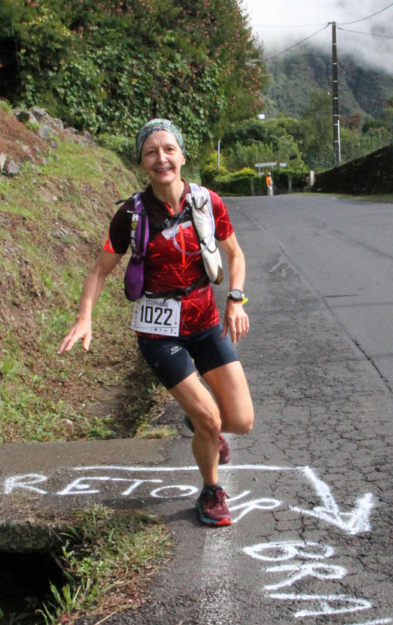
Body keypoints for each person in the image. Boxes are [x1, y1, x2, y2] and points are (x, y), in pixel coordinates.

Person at [58, 118, 254, 527]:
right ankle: (211, 491)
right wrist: (84, 318)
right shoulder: (131, 214)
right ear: (142, 162)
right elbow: (99, 270)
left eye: (168, 149)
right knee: (210, 418)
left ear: (182, 155)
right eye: (151, 151)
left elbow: (234, 254)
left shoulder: (207, 202)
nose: (161, 157)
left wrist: (235, 299)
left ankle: (203, 422)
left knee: (239, 421)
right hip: (158, 331)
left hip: (205, 321)